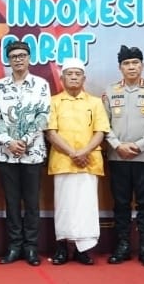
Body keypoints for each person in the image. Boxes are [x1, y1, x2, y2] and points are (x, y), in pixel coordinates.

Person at [102, 45, 144, 268]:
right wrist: (117, 145)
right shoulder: (110, 91)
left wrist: (139, 146)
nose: (131, 67)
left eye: (135, 63)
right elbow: (104, 124)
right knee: (121, 203)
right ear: (120, 67)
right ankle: (122, 246)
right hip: (118, 157)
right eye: (126, 64)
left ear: (142, 65)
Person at [0, 40, 50, 267]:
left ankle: (31, 247)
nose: (18, 60)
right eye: (14, 56)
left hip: (32, 153)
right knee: (12, 202)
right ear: (8, 60)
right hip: (6, 154)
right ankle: (14, 246)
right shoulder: (0, 86)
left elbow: (43, 115)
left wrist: (24, 141)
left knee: (32, 202)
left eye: (22, 56)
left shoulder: (41, 85)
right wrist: (8, 142)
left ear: (29, 58)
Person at [46, 57, 110, 266]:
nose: (73, 77)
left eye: (77, 74)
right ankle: (62, 248)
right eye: (69, 74)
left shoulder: (95, 102)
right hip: (63, 161)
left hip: (89, 161)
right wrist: (73, 153)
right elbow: (51, 132)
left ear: (84, 78)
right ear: (62, 78)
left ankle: (84, 250)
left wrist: (83, 152)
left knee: (86, 206)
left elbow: (101, 131)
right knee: (64, 206)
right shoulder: (53, 102)